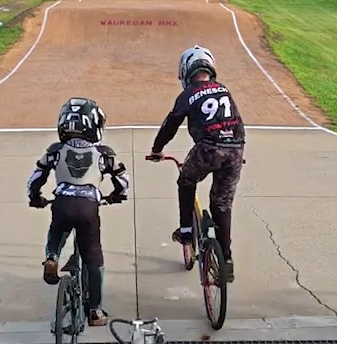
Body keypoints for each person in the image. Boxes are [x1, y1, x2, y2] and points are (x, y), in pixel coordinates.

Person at [148, 45, 245, 283]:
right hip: (234, 149)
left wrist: (157, 149)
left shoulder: (188, 94)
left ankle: (186, 232)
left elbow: (171, 124)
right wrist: (235, 148)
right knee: (221, 204)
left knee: (186, 180)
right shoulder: (224, 90)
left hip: (208, 149)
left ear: (185, 71)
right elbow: (235, 120)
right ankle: (227, 259)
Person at [29, 97, 129, 327]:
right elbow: (123, 180)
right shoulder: (104, 153)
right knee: (94, 258)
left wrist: (35, 197)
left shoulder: (55, 150)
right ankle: (95, 311)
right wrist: (116, 196)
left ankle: (52, 257)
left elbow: (36, 178)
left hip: (62, 202)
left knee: (56, 232)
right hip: (88, 207)